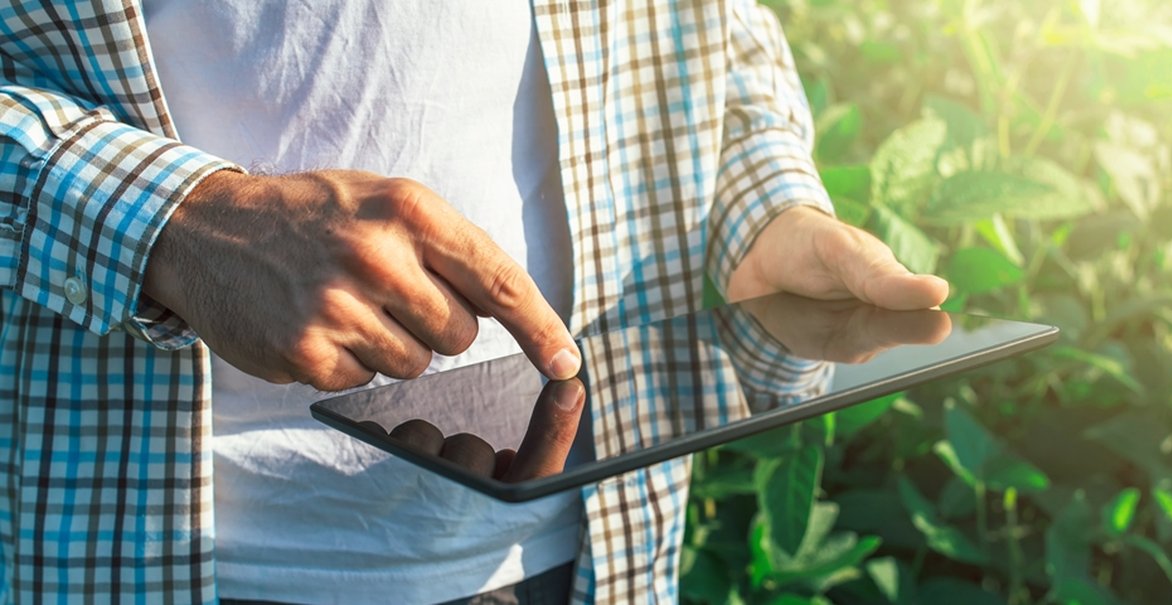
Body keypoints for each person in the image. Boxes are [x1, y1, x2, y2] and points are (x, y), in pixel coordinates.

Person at [0, 1, 949, 603]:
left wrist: (762, 203)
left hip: (584, 552)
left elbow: (715, 32)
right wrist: (174, 223)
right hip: (177, 557)